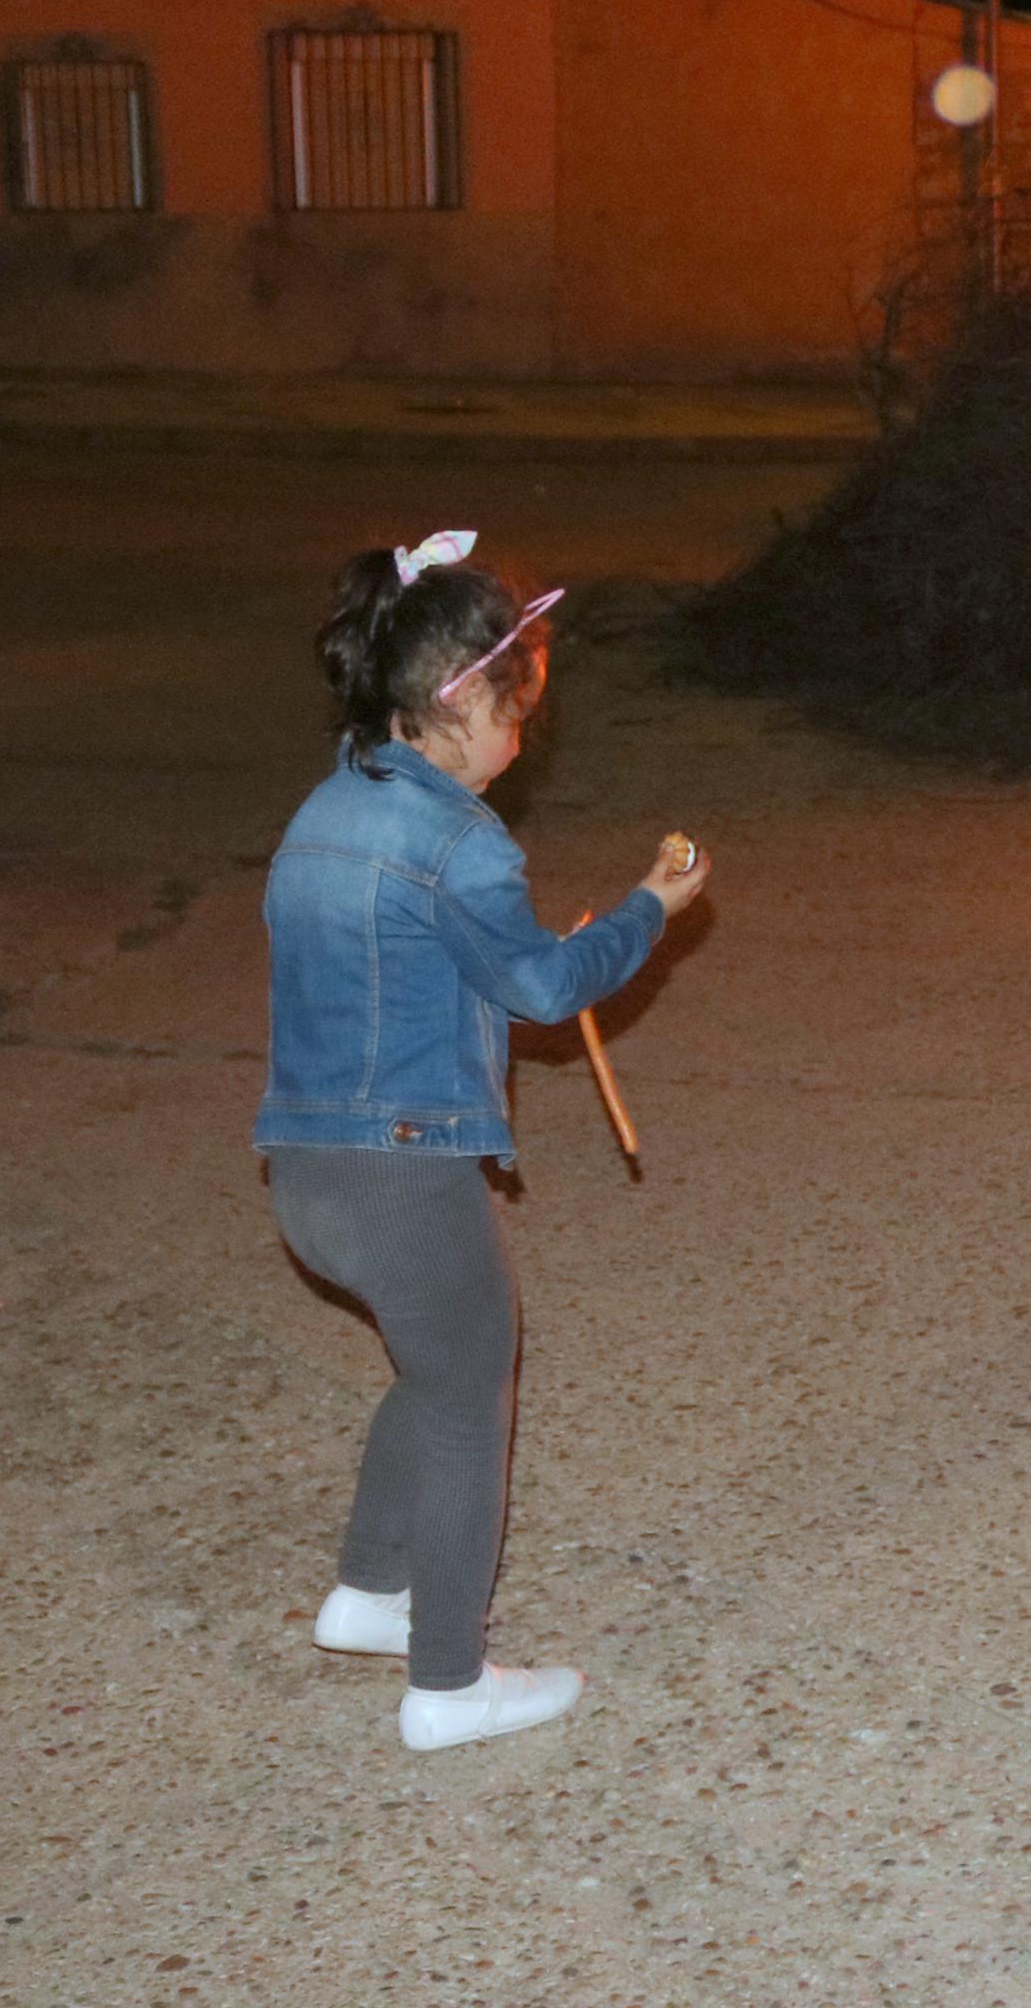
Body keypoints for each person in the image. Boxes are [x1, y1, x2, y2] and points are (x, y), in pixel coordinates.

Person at [254, 530, 710, 1751]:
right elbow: (545, 991)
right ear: (457, 700)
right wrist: (646, 910)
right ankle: (448, 1683)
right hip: (401, 1168)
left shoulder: (325, 807)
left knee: (437, 1366)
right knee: (469, 1398)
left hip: (305, 1169)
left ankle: (368, 1593)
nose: (521, 743)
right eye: (515, 716)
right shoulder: (458, 839)